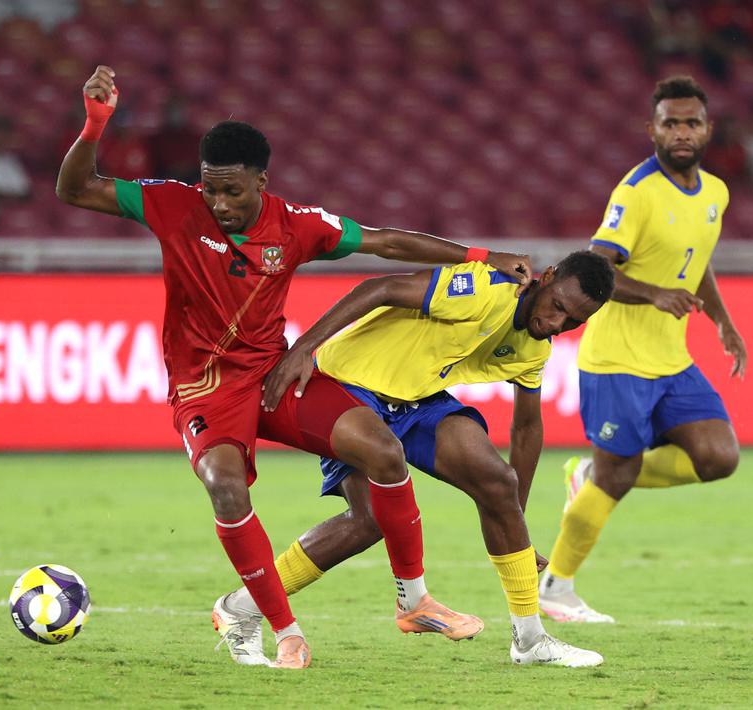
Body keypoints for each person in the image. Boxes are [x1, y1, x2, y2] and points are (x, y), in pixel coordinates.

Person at [56, 66, 533, 669]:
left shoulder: (298, 225)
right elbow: (75, 189)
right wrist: (96, 123)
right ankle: (279, 629)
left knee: (383, 449)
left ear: (262, 180)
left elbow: (385, 242)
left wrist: (485, 257)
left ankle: (414, 601)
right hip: (204, 388)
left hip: (272, 375)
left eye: (234, 191)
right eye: (211, 190)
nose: (220, 204)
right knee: (225, 486)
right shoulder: (171, 204)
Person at [214, 251, 615, 668]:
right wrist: (304, 348)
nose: (555, 323)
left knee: (498, 483)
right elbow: (380, 288)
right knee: (368, 520)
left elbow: (527, 429)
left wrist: (517, 523)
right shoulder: (485, 288)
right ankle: (244, 604)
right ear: (547, 277)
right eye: (558, 307)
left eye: (572, 322)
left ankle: (530, 640)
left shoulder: (534, 350)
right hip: (347, 389)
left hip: (416, 398)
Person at [538, 76, 746, 624]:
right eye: (670, 123)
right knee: (618, 475)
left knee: (718, 456)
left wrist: (722, 320)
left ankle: (591, 476)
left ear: (708, 129)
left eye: (691, 122)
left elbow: (696, 261)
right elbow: (595, 266)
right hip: (616, 363)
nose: (681, 132)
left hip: (671, 360)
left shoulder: (715, 193)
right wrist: (653, 293)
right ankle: (555, 588)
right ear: (651, 128)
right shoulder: (636, 191)